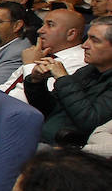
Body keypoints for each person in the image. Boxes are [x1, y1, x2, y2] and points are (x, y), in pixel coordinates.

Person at [23, 15, 112, 145]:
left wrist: (63, 78)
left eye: (95, 40)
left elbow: (90, 121)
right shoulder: (87, 71)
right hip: (41, 135)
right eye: (87, 38)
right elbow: (47, 109)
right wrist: (36, 82)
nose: (84, 45)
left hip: (67, 151)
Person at [0, 8, 86, 100]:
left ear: (71, 34)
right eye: (42, 25)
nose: (40, 30)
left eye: (50, 25)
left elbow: (40, 101)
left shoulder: (79, 62)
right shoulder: (41, 53)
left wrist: (30, 65)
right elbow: (6, 86)